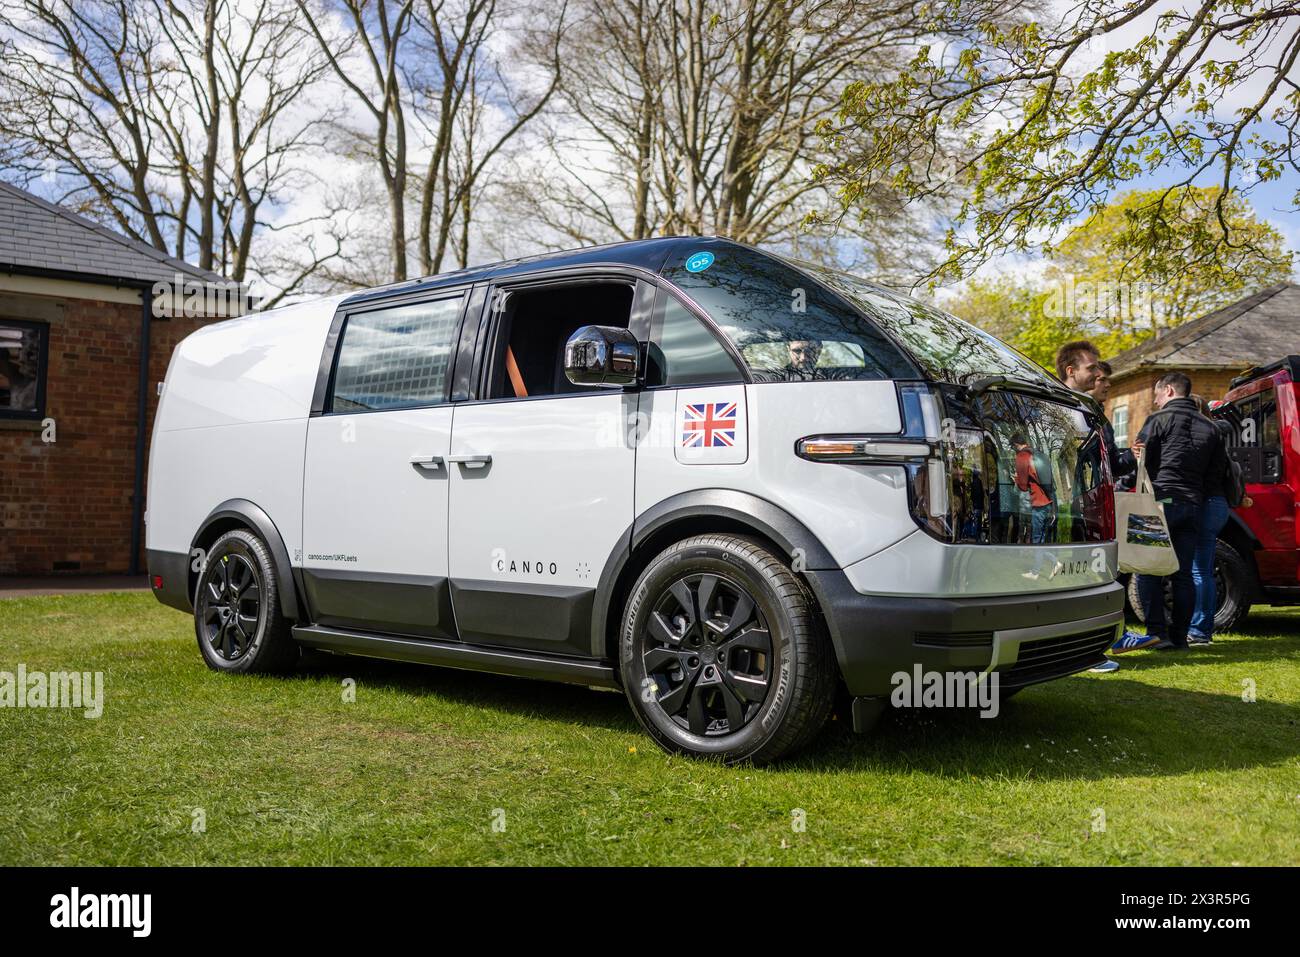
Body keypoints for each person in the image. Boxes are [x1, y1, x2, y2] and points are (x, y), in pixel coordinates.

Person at [1111, 372, 1227, 653]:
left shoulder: (1157, 420)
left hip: (1156, 502)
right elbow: (1216, 474)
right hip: (1192, 505)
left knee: (1149, 569)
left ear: (1171, 391)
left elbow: (1141, 461)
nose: (1155, 399)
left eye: (1157, 393)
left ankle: (1157, 633)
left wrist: (1122, 483)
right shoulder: (1211, 428)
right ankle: (1179, 638)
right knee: (1183, 573)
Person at [1188, 394, 1234, 645]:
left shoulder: (1201, 438)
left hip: (1204, 504)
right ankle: (1201, 629)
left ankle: (1199, 630)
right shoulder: (1219, 436)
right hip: (1218, 504)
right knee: (1203, 570)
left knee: (1197, 570)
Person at [1011, 433, 1054, 543]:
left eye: (1012, 447)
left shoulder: (1022, 456)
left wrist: (1016, 479)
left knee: (1036, 540)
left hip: (1038, 504)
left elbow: (1023, 486)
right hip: (1049, 502)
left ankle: (1037, 561)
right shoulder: (1039, 454)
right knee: (1044, 538)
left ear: (1016, 445)